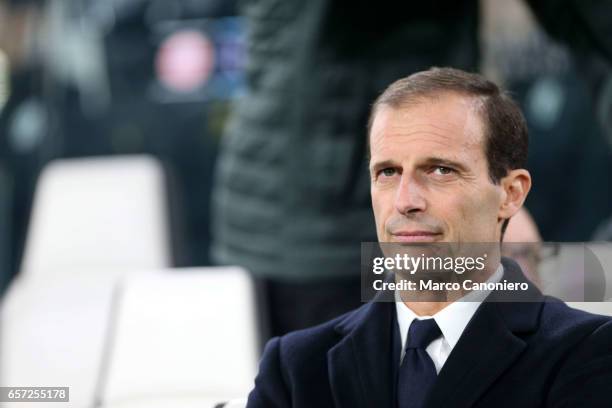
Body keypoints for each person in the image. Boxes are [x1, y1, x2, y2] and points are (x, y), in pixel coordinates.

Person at [246, 68, 612, 408]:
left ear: (511, 193)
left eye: (440, 170)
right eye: (388, 172)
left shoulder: (587, 353)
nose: (406, 201)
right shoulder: (295, 368)